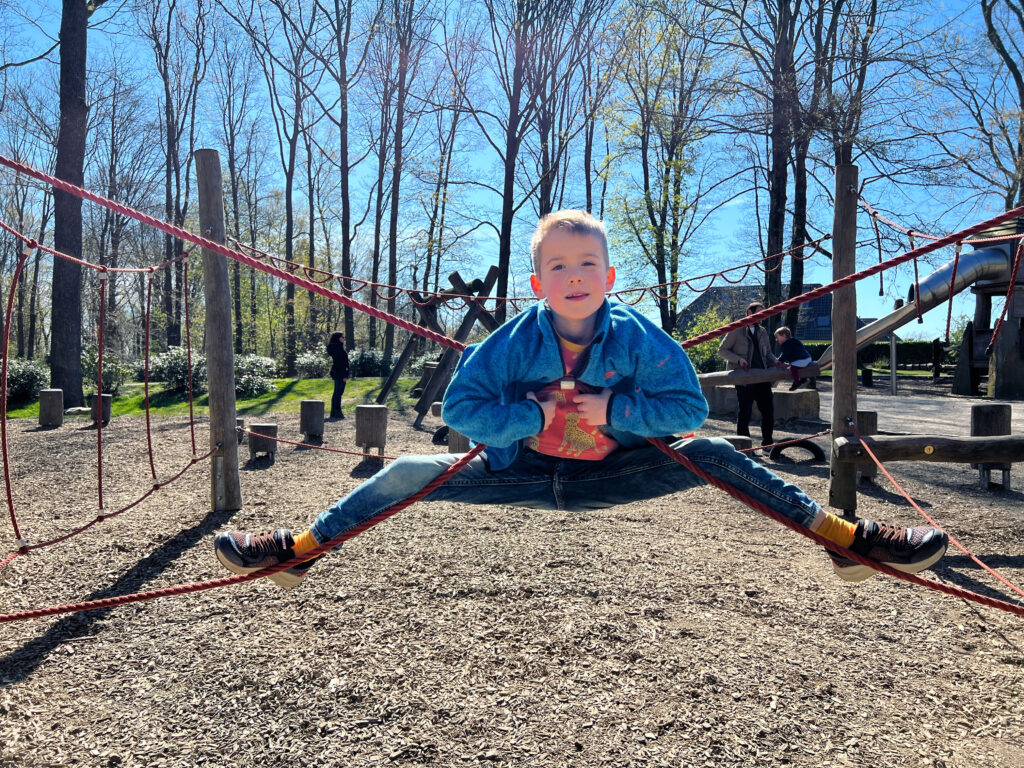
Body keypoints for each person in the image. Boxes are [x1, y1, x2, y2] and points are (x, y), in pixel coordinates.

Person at [214, 210, 948, 590]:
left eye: (588, 263)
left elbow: (686, 409)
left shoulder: (640, 337)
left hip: (613, 475)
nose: (574, 275)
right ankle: (300, 551)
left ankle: (846, 543)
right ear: (538, 282)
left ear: (609, 275)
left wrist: (613, 413)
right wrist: (531, 416)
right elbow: (461, 411)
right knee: (403, 472)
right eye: (558, 265)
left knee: (718, 452)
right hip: (520, 474)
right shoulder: (507, 342)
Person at [718, 302, 778, 450]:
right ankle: (744, 446)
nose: (762, 317)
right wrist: (738, 359)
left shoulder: (763, 331)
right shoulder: (736, 329)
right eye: (759, 313)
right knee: (745, 413)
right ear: (749, 313)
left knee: (768, 412)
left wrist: (777, 362)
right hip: (744, 378)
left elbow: (768, 353)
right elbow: (722, 350)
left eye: (764, 313)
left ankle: (768, 444)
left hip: (762, 377)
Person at [773, 326, 813, 391]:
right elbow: (791, 353)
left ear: (784, 335)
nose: (776, 339)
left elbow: (785, 354)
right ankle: (803, 379)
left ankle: (797, 383)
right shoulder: (794, 341)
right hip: (807, 358)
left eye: (777, 337)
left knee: (793, 368)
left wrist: (779, 361)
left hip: (802, 359)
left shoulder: (787, 343)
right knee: (794, 366)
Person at [326, 332, 349, 419]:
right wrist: (344, 375)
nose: (344, 339)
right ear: (338, 338)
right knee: (338, 392)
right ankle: (336, 412)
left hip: (339, 372)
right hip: (340, 372)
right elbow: (340, 363)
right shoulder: (336, 348)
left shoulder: (338, 347)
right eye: (342, 337)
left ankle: (335, 412)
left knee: (338, 392)